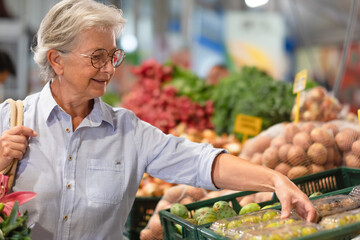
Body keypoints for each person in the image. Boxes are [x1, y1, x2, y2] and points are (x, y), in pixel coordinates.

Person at [0, 0, 317, 239]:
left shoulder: (126, 131)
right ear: (57, 60)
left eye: (113, 56)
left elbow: (199, 162)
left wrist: (275, 180)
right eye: (96, 57)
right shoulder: (9, 120)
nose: (110, 70)